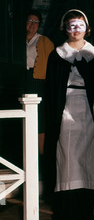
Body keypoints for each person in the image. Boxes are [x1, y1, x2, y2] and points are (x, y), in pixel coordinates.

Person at [44, 9, 94, 220]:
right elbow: (51, 89)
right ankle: (68, 218)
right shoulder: (57, 54)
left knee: (89, 161)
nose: (75, 30)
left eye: (79, 26)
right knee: (68, 162)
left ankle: (85, 213)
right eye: (71, 26)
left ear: (87, 29)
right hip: (66, 109)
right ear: (64, 29)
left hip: (89, 111)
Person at [25, 10, 54, 155]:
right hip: (22, 81)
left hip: (38, 82)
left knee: (39, 120)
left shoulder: (44, 41)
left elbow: (52, 65)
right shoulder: (17, 40)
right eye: (30, 20)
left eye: (36, 22)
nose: (32, 25)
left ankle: (41, 156)